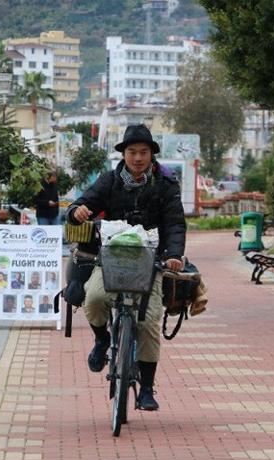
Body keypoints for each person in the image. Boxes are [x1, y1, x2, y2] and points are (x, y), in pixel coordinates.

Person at [67, 124, 186, 412]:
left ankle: (146, 388)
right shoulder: (109, 181)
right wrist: (77, 211)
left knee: (147, 323)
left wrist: (174, 255)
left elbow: (175, 225)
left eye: (143, 152)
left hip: (150, 262)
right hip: (110, 259)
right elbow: (81, 205)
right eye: (132, 152)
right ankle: (102, 339)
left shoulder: (166, 186)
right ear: (124, 154)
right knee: (94, 298)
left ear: (151, 155)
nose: (137, 158)